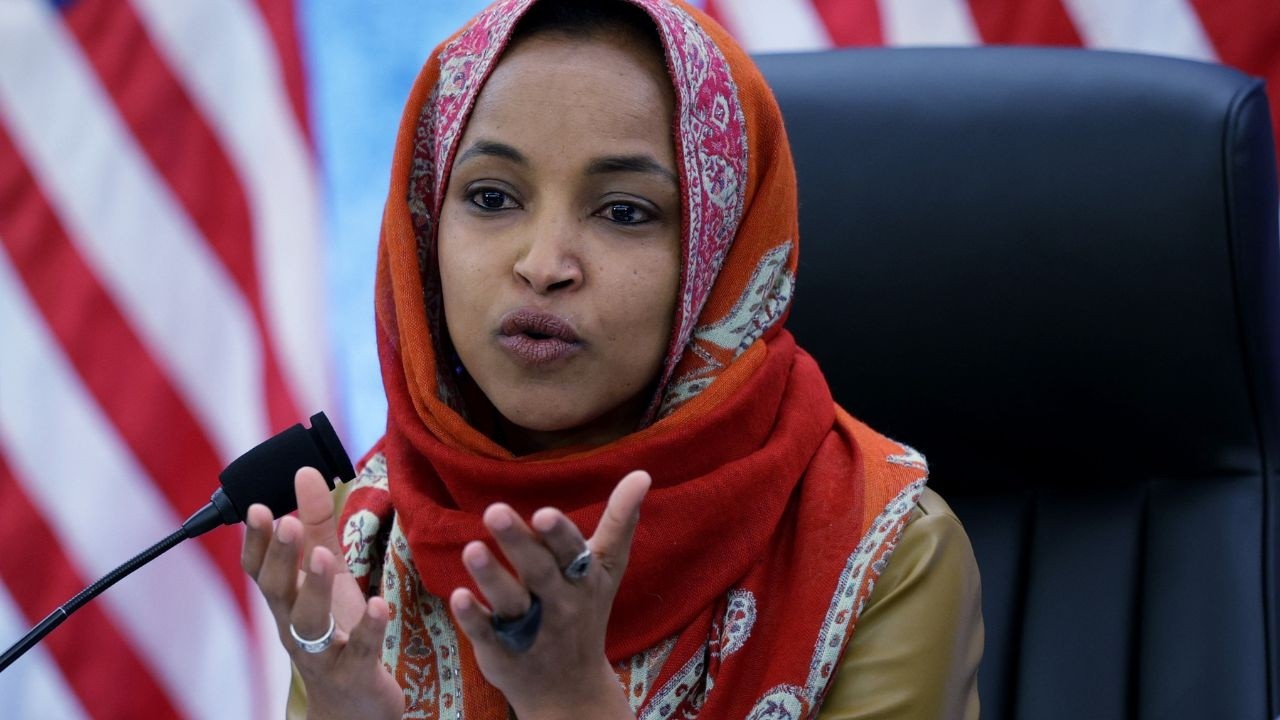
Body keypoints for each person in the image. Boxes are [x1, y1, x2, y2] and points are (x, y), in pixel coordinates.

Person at [241, 0, 983, 717]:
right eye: (492, 198)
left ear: (718, 256)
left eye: (624, 211)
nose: (543, 265)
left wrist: (571, 704)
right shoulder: (361, 541)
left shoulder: (888, 553)